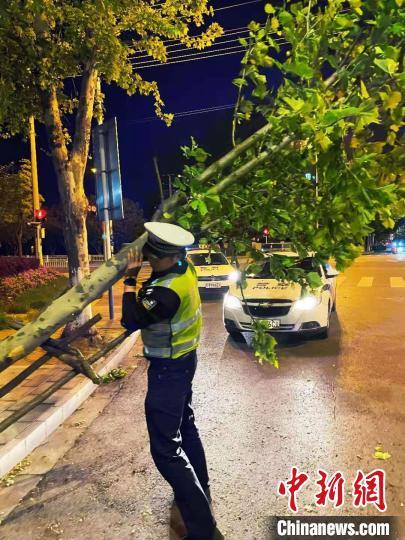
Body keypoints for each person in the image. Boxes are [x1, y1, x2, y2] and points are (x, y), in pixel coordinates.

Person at [121, 222, 223, 540]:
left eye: (152, 255)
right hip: (185, 361)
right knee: (186, 425)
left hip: (168, 371)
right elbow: (155, 281)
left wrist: (128, 279)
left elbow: (130, 319)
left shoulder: (164, 293)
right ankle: (199, 487)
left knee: (165, 449)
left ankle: (204, 531)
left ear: (165, 256)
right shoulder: (185, 268)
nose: (148, 259)